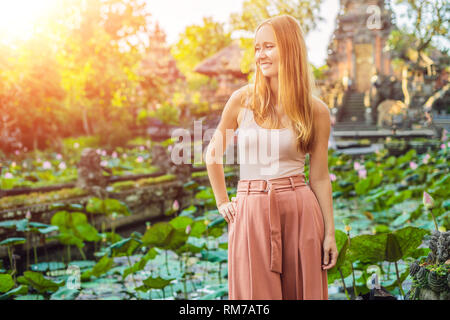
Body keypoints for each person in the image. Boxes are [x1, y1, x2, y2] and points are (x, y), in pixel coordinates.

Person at [205, 15, 337, 300]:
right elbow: (212, 154)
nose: (260, 55)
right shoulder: (242, 100)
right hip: (250, 212)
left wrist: (330, 233)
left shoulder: (316, 111)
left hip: (301, 210)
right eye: (257, 48)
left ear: (289, 49)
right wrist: (222, 201)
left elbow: (320, 177)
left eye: (268, 46)